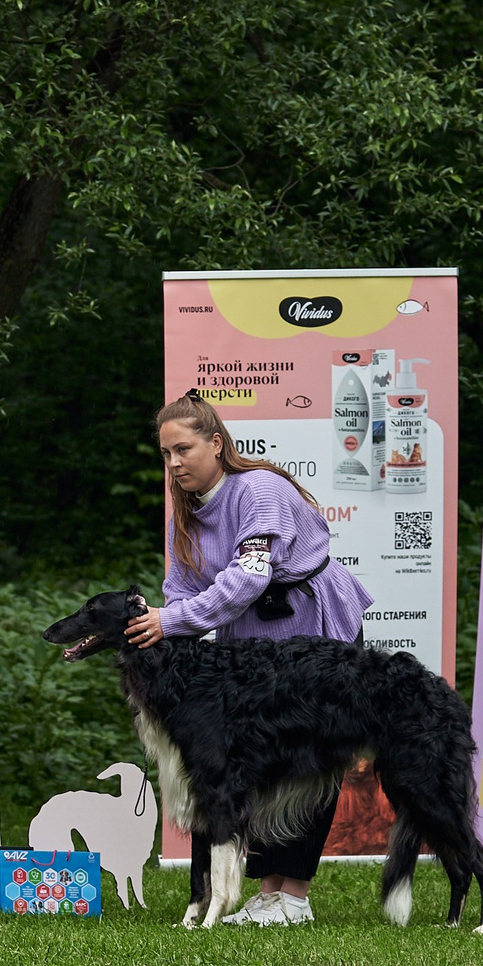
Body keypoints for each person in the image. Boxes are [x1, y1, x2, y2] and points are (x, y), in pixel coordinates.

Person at [128, 392, 372, 927]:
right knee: (255, 760)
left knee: (307, 754)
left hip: (313, 623)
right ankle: (267, 893)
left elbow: (250, 576)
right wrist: (167, 633)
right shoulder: (185, 511)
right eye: (165, 454)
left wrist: (170, 620)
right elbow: (181, 586)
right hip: (251, 637)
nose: (174, 464)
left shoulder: (257, 489)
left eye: (183, 449)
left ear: (216, 443)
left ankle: (296, 894)